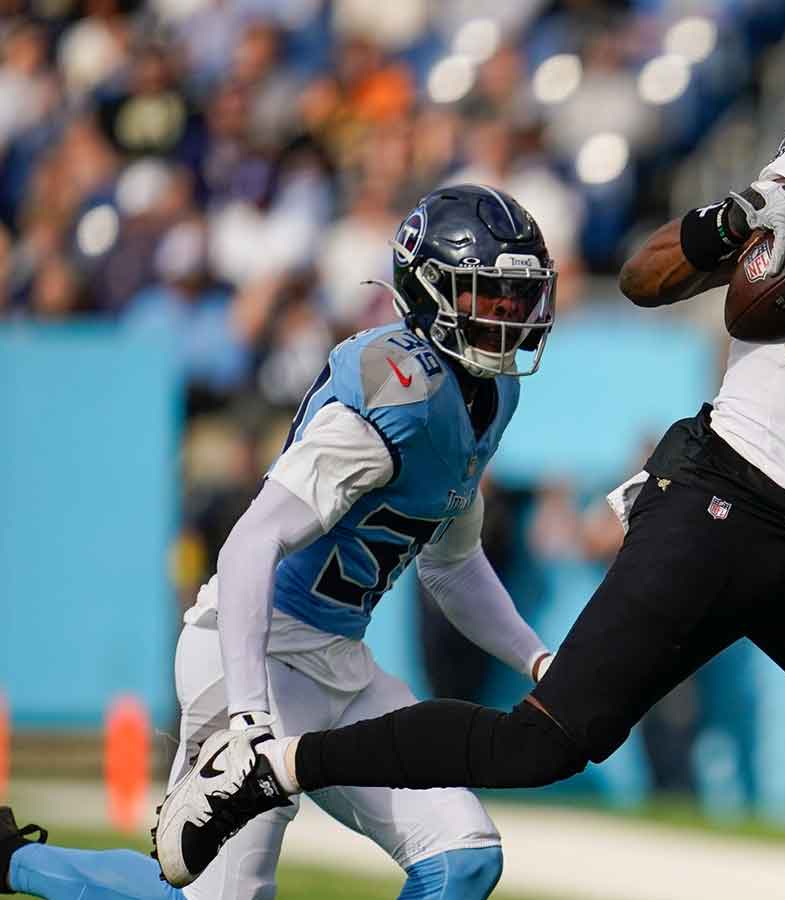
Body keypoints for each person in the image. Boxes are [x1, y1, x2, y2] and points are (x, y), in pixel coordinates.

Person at [154, 43, 785, 900]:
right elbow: (648, 279)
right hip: (721, 497)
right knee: (545, 742)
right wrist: (730, 224)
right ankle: (271, 766)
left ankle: (275, 765)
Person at [1, 184, 559, 900]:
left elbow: (452, 567)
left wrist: (539, 658)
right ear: (432, 289)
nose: (508, 317)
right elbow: (249, 546)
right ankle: (14, 863)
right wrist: (249, 718)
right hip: (257, 657)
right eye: (490, 295)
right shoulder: (399, 392)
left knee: (464, 855)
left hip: (342, 665)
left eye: (518, 299)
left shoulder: (489, 397)